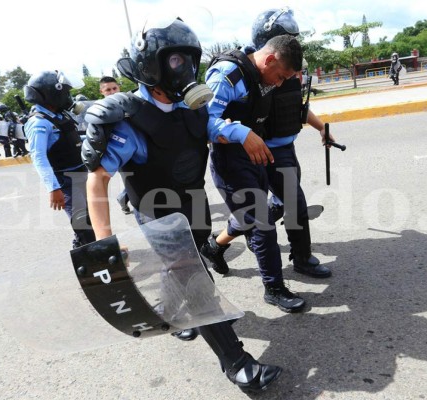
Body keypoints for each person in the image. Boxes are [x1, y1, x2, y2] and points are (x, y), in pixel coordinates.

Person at [81, 16, 282, 392]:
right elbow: (98, 178)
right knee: (195, 279)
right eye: (175, 61)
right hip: (157, 214)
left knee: (185, 267)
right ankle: (237, 364)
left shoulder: (193, 106)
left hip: (193, 206)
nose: (185, 70)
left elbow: (212, 127)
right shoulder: (130, 121)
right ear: (151, 65)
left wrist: (243, 133)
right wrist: (104, 239)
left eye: (189, 60)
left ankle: (172, 316)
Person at [201, 7, 332, 284]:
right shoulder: (252, 70)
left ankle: (220, 245)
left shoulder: (283, 69)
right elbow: (209, 119)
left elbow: (294, 107)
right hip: (255, 151)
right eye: (287, 38)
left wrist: (322, 128)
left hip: (281, 148)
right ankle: (293, 262)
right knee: (272, 210)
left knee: (276, 207)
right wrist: (238, 133)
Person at [202, 33, 309, 313]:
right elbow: (203, 121)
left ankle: (215, 246)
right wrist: (239, 132)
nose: (281, 82)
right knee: (262, 224)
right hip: (231, 162)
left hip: (257, 155)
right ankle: (274, 288)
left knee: (254, 215)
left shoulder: (264, 74)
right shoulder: (227, 74)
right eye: (282, 76)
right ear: (270, 59)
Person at [23, 70, 96, 249]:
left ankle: (86, 249)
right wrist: (53, 188)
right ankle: (95, 259)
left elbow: (74, 140)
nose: (68, 97)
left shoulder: (60, 115)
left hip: (81, 174)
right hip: (66, 180)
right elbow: (38, 156)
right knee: (81, 221)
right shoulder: (39, 122)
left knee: (90, 216)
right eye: (65, 92)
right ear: (52, 93)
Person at [99, 76, 132, 214]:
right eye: (108, 90)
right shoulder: (100, 110)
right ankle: (124, 199)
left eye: (114, 88)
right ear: (101, 92)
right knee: (133, 182)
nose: (112, 92)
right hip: (119, 153)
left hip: (137, 147)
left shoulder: (129, 102)